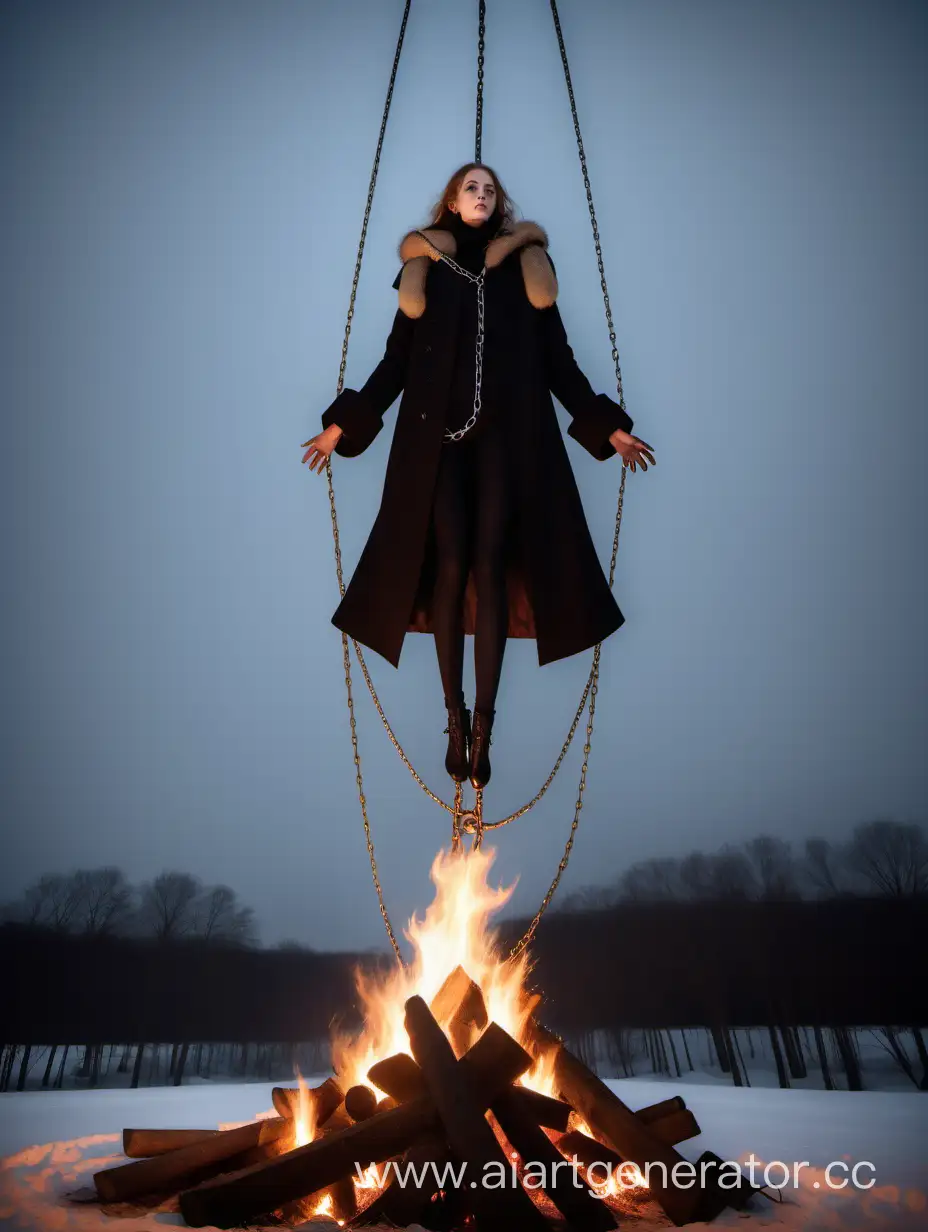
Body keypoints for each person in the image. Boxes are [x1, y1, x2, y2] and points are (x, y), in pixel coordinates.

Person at [301, 163, 655, 790]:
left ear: (500, 203)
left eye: (490, 189)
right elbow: (395, 364)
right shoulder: (427, 272)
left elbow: (559, 364)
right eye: (472, 187)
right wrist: (342, 426)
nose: (482, 195)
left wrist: (608, 428)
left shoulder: (526, 269)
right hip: (438, 446)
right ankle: (454, 719)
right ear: (451, 200)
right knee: (451, 565)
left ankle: (485, 725)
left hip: (505, 445)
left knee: (489, 565)